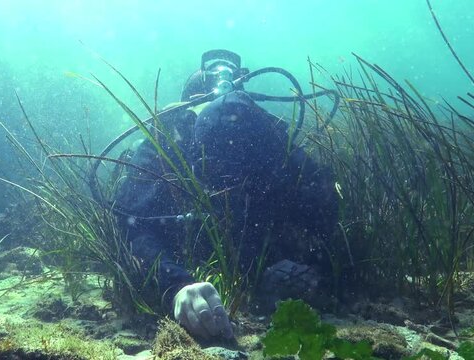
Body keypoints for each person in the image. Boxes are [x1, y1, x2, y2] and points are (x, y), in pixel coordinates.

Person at [113, 50, 338, 340]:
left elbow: (320, 201)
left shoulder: (266, 142)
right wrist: (177, 285)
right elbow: (133, 227)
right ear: (185, 122)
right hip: (186, 251)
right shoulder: (162, 151)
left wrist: (305, 261)